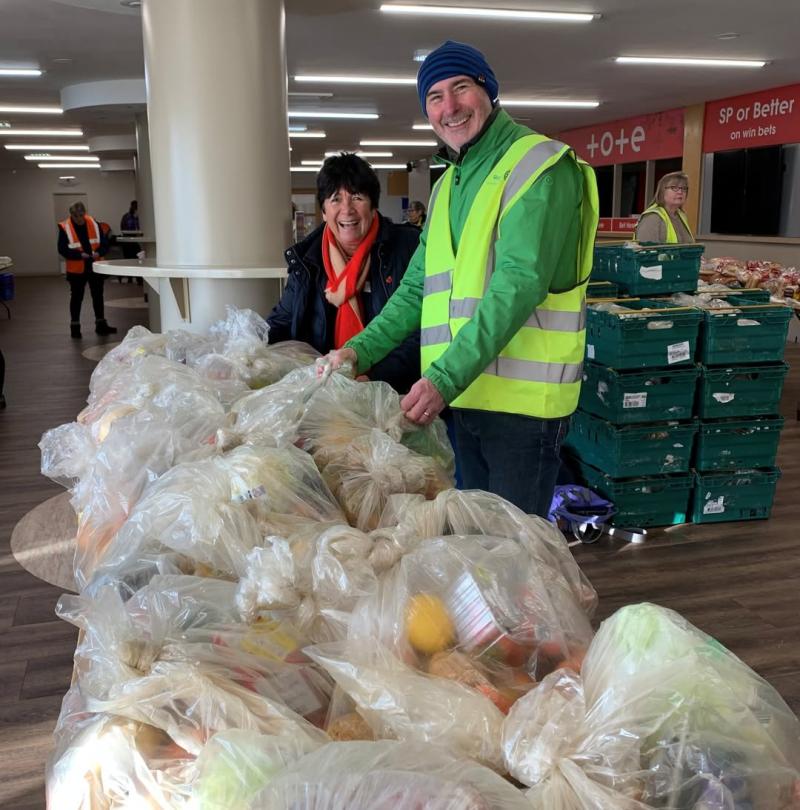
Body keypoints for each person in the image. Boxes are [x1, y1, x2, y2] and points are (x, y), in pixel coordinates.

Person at [326, 40, 599, 518]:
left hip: (523, 408)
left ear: (488, 91)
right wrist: (358, 350)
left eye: (461, 88)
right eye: (434, 97)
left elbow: (520, 283)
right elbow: (417, 288)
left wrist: (442, 378)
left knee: (515, 554)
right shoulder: (448, 183)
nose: (449, 107)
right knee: (478, 547)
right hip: (464, 398)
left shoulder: (540, 166)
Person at [267, 153, 421, 393]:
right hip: (324, 389)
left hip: (395, 394)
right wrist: (248, 352)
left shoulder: (408, 249)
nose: (347, 210)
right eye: (335, 199)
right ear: (324, 210)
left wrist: (374, 377)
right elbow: (283, 322)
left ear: (373, 205)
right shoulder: (308, 261)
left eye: (357, 197)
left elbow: (421, 331)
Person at [57, 201, 117, 339]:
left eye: (81, 215)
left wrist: (99, 252)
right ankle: (75, 327)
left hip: (94, 266)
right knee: (77, 297)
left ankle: (101, 324)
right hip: (76, 269)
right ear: (71, 215)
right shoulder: (65, 227)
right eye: (76, 216)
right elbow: (62, 249)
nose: (79, 218)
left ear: (85, 213)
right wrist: (79, 255)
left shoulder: (93, 223)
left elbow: (104, 244)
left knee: (98, 296)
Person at [635, 172, 694, 243]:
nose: (680, 192)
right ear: (662, 191)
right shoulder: (652, 217)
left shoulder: (681, 216)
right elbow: (646, 251)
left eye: (684, 188)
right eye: (674, 187)